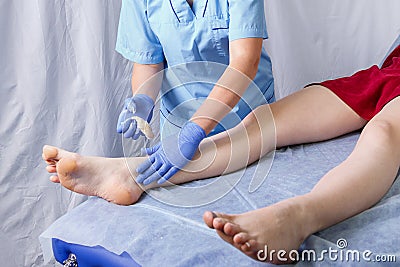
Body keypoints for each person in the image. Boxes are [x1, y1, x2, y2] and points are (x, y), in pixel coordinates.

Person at [42, 43, 400, 264]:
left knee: (383, 132)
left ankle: (298, 217)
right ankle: (131, 172)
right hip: (392, 72)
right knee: (264, 121)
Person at [115, 0, 275, 185]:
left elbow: (245, 61)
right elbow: (149, 62)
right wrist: (142, 99)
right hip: (179, 126)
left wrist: (194, 130)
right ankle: (118, 176)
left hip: (246, 119)